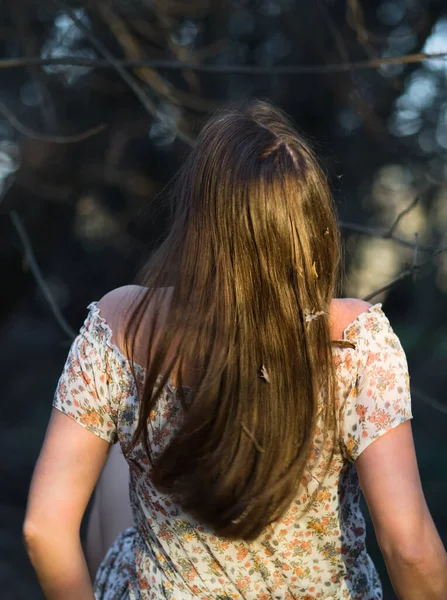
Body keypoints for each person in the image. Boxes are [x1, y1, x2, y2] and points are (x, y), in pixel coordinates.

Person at [23, 101, 447, 600]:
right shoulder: (354, 340)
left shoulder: (121, 325)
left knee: (121, 447)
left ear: (198, 221)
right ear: (308, 226)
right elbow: (410, 547)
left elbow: (44, 529)